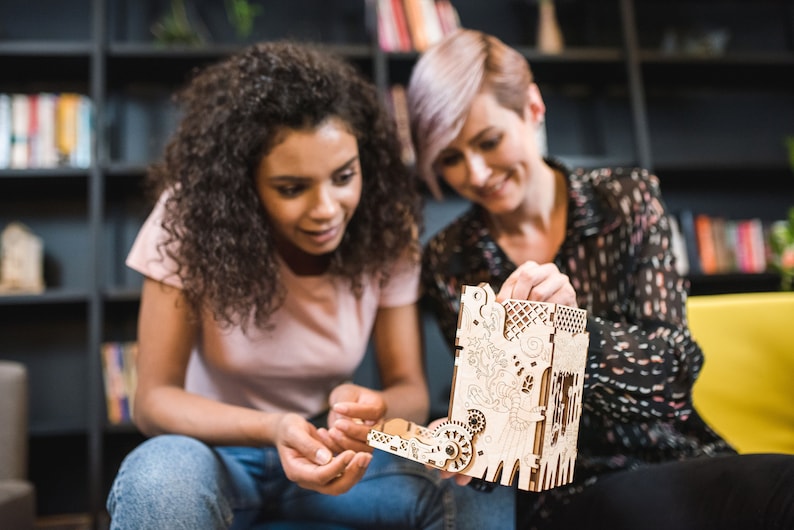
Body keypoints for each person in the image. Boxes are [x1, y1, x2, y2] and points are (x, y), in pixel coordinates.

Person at [407, 28, 794, 530]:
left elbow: (673, 376)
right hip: (568, 490)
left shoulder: (627, 201)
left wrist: (571, 337)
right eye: (451, 158)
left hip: (681, 458)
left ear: (533, 107)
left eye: (489, 141)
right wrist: (463, 434)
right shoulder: (448, 258)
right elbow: (499, 430)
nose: (476, 174)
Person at [106, 40, 461, 530]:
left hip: (332, 452)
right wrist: (274, 429)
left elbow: (410, 391)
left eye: (343, 176)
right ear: (244, 186)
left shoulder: (387, 226)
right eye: (292, 188)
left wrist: (372, 411)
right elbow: (153, 401)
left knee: (470, 480)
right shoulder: (189, 219)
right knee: (159, 478)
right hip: (217, 456)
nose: (326, 209)